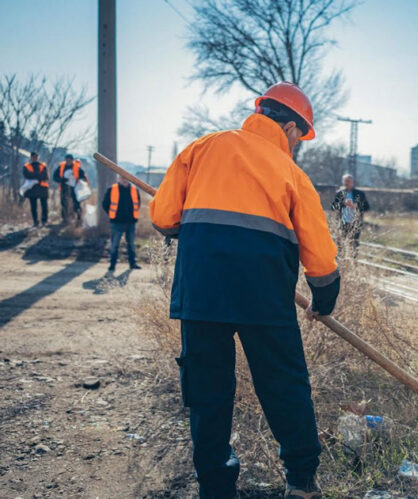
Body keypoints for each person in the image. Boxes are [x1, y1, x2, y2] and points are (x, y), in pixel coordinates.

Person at [150, 82, 339, 499]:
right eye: (299, 137)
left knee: (207, 394)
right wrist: (324, 295)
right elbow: (319, 253)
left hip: (201, 294)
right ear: (290, 127)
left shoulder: (201, 149)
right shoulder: (291, 173)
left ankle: (216, 488)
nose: (297, 145)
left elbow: (163, 217)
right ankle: (303, 482)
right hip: (265, 299)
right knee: (285, 387)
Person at [101, 176, 141, 272]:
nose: (124, 179)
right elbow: (105, 204)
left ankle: (133, 264)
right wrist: (112, 215)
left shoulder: (134, 190)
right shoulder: (112, 189)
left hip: (131, 222)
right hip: (117, 222)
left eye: (126, 177)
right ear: (119, 178)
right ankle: (112, 265)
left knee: (131, 244)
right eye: (122, 178)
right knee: (114, 244)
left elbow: (138, 204)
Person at [331, 173, 370, 257]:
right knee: (341, 243)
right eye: (345, 181)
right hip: (342, 223)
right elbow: (333, 207)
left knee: (354, 244)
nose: (346, 183)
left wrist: (356, 206)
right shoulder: (340, 193)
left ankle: (353, 262)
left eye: (348, 181)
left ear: (352, 182)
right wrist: (343, 204)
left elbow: (367, 207)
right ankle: (341, 261)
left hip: (355, 224)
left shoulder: (359, 193)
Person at [53, 153, 88, 223]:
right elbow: (54, 177)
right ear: (65, 160)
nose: (68, 161)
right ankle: (65, 219)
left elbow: (84, 178)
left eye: (70, 159)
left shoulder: (77, 167)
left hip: (75, 188)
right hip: (64, 188)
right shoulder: (61, 167)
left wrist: (78, 180)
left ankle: (78, 219)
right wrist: (62, 180)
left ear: (72, 160)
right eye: (67, 159)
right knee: (64, 203)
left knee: (76, 203)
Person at [22, 152, 50, 226]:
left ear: (38, 157)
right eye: (33, 157)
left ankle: (44, 221)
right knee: (33, 206)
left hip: (42, 188)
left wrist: (34, 175)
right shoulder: (26, 166)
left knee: (44, 206)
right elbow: (26, 175)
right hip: (32, 189)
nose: (35, 158)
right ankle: (35, 221)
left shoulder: (43, 166)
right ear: (31, 157)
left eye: (36, 157)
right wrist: (38, 175)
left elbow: (46, 176)